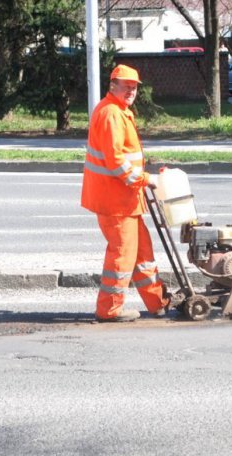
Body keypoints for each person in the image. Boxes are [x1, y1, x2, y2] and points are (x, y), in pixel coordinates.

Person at [81, 64, 169, 322]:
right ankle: (109, 310)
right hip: (115, 202)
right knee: (122, 255)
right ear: (113, 85)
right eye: (126, 86)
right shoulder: (111, 114)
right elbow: (117, 161)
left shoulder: (119, 111)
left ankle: (158, 303)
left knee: (142, 255)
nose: (131, 91)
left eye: (134, 87)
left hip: (125, 201)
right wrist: (145, 179)